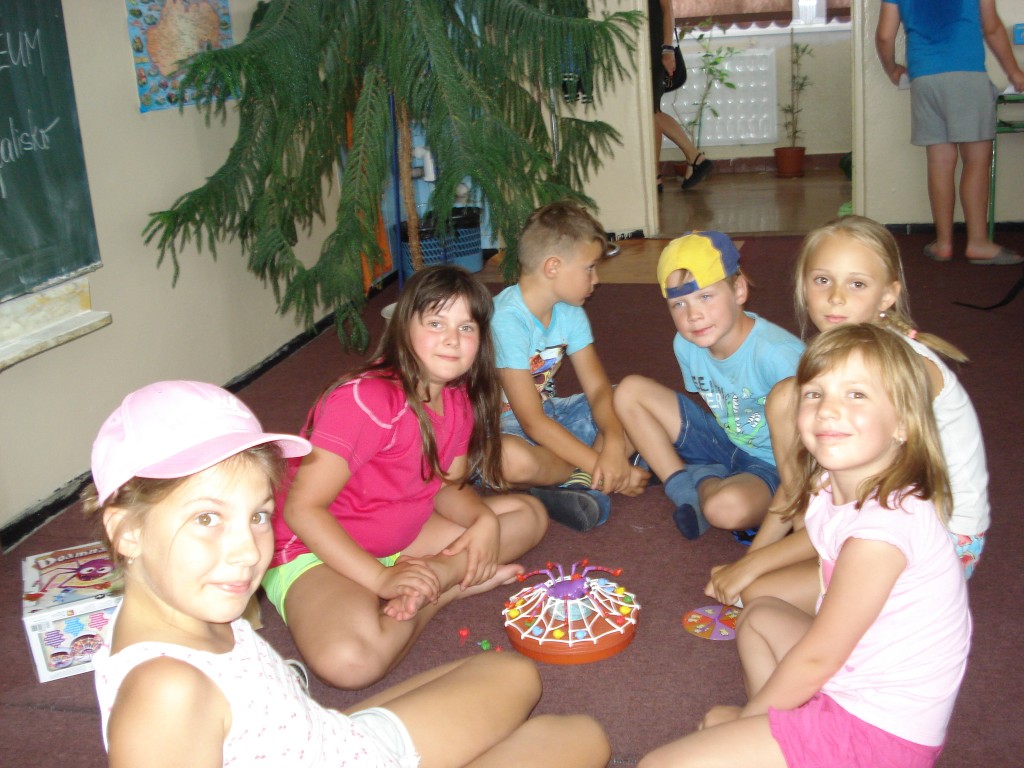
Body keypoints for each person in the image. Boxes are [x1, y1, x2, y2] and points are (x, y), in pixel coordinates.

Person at [88, 380, 611, 768]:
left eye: (259, 515)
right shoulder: (165, 692)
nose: (247, 551)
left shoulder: (185, 610)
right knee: (582, 738)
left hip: (335, 742)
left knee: (513, 673)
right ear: (126, 532)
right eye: (207, 519)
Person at [639, 324, 972, 768]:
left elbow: (818, 659)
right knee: (760, 615)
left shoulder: (883, 533)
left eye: (856, 395)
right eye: (815, 393)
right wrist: (752, 562)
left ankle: (772, 737)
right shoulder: (830, 484)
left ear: (904, 423)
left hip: (877, 734)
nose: (828, 409)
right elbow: (810, 526)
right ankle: (776, 739)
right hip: (853, 677)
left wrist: (740, 724)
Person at [264, 265, 549, 689]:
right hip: (317, 548)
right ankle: (444, 591)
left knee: (527, 514)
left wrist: (482, 520)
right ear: (402, 329)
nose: (452, 339)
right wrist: (381, 579)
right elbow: (302, 509)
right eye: (436, 323)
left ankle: (436, 577)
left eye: (466, 327)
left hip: (401, 536)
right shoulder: (364, 399)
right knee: (350, 664)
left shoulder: (457, 398)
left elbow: (447, 486)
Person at [706, 216, 990, 612]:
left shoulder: (895, 370)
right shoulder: (842, 357)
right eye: (823, 280)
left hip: (927, 537)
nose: (836, 298)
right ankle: (814, 550)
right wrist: (753, 558)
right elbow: (801, 485)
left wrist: (754, 567)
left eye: (857, 284)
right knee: (787, 397)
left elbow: (874, 505)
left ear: (888, 295)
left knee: (760, 598)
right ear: (803, 286)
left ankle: (824, 566)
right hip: (864, 510)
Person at [614, 231, 804, 540]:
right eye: (679, 304)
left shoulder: (778, 356)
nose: (693, 315)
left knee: (724, 510)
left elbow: (811, 448)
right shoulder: (686, 344)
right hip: (725, 440)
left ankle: (702, 477)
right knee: (628, 392)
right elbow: (717, 404)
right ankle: (683, 489)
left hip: (776, 464)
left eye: (705, 297)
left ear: (738, 290)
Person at [493, 201, 649, 533]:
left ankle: (577, 480)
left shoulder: (570, 312)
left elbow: (598, 390)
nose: (596, 279)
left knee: (633, 400)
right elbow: (531, 422)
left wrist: (613, 443)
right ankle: (597, 476)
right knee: (508, 460)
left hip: (553, 415)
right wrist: (607, 464)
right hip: (506, 428)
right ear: (552, 267)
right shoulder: (506, 319)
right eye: (589, 268)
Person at [875, 0, 1024, 265]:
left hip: (924, 78)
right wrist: (1015, 73)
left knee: (940, 162)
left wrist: (892, 69)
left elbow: (885, 36)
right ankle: (978, 243)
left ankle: (943, 243)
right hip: (967, 74)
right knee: (976, 160)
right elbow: (991, 28)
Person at [650, 0, 712, 192]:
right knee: (652, 112)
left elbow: (667, 8)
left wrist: (668, 50)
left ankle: (694, 157)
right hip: (643, 48)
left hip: (654, 49)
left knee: (650, 112)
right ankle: (656, 175)